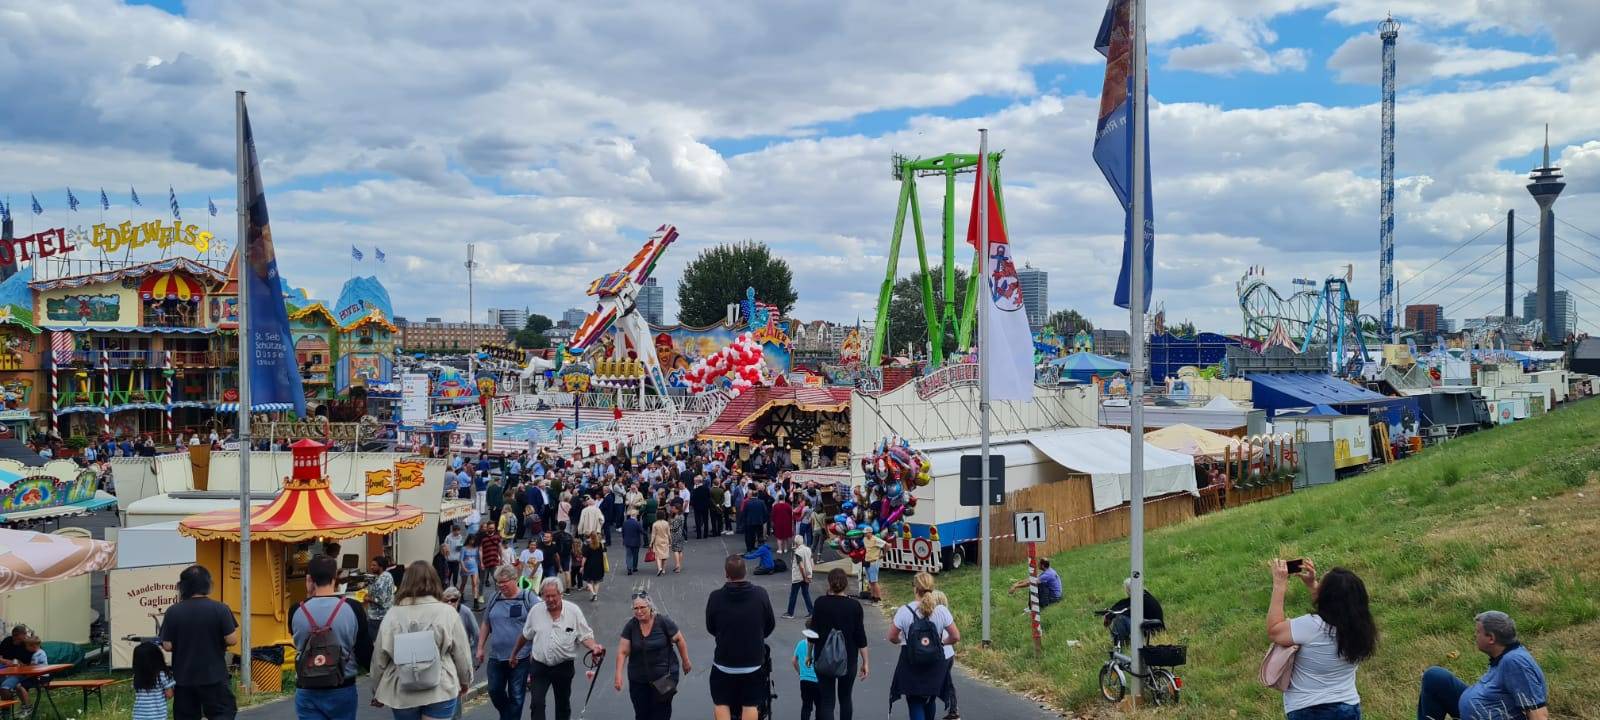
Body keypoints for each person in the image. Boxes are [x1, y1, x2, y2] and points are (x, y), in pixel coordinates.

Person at [1267, 559, 1376, 719]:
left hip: (1308, 709)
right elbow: (1334, 607)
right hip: (1348, 707)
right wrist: (1312, 585)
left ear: (1327, 595)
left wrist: (1279, 585)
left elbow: (1274, 631)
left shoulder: (1311, 626)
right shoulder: (1361, 629)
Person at [370, 562, 474, 720]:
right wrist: (465, 681)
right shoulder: (447, 612)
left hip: (402, 688)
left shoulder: (392, 614)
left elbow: (379, 657)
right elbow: (461, 653)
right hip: (441, 686)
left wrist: (377, 688)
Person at [1417, 611, 1548, 720]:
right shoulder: (1502, 656)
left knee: (1433, 676)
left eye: (1478, 631)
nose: (1475, 635)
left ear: (1491, 638)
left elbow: (1538, 715)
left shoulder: (1515, 662)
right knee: (1434, 677)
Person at [510, 578, 606, 720]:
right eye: (546, 596)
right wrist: (514, 654)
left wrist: (594, 647)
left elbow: (585, 636)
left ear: (560, 594)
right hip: (540, 666)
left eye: (553, 595)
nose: (550, 599)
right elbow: (525, 635)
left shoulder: (573, 611)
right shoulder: (536, 611)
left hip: (563, 666)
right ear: (542, 595)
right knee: (536, 704)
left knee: (562, 705)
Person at [291, 555, 371, 720]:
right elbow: (364, 650)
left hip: (307, 686)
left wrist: (309, 594)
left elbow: (298, 640)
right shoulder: (353, 608)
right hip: (342, 685)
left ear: (310, 579)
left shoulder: (296, 610)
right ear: (335, 577)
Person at [161, 565, 240, 720]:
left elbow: (167, 645)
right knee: (222, 714)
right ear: (208, 584)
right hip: (214, 676)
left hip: (184, 678)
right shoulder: (220, 608)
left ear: (183, 587)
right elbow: (232, 639)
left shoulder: (173, 611)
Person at [705, 554, 776, 720]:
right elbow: (770, 624)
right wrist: (756, 636)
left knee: (721, 702)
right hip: (752, 663)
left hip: (724, 662)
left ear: (726, 573)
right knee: (750, 704)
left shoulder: (716, 597)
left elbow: (711, 627)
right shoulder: (760, 595)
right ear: (745, 572)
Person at [888, 572, 960, 720]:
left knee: (915, 701)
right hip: (935, 662)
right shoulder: (941, 611)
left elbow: (892, 636)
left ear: (915, 588)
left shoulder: (905, 611)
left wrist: (904, 641)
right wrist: (941, 643)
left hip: (911, 661)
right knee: (930, 698)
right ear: (932, 588)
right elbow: (955, 636)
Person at [613, 594, 692, 720]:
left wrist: (685, 661)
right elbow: (622, 651)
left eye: (642, 607)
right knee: (642, 714)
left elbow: (679, 639)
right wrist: (618, 675)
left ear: (650, 607)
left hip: (664, 677)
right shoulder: (631, 626)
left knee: (662, 713)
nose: (639, 611)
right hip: (638, 680)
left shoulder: (663, 622)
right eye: (635, 608)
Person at [810, 568, 869, 720]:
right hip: (848, 659)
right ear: (846, 584)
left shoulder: (820, 603)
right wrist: (865, 662)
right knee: (845, 698)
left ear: (829, 583)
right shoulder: (854, 606)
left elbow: (813, 633)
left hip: (823, 657)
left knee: (827, 700)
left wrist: (809, 654)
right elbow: (860, 636)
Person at [478, 565, 534, 720]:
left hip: (521, 657)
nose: (500, 585)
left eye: (504, 581)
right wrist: (480, 648)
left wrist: (535, 651)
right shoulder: (494, 598)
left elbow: (539, 623)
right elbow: (486, 623)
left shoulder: (527, 597)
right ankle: (507, 716)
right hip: (496, 656)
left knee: (516, 695)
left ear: (514, 579)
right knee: (494, 690)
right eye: (498, 582)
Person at [1106, 578, 1165, 646]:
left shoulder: (1140, 599)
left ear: (1129, 590)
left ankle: (1118, 645)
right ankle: (1125, 643)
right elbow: (1123, 603)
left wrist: (1109, 616)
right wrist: (1110, 612)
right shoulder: (1145, 596)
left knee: (1120, 618)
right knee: (1124, 617)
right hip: (1155, 629)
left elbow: (1124, 610)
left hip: (1151, 631)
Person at [132, 642, 176, 720]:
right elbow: (169, 695)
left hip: (139, 716)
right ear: (158, 657)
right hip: (157, 716)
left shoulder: (137, 676)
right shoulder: (161, 675)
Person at [793, 622, 820, 720]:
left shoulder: (801, 644)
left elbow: (794, 661)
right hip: (818, 680)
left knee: (806, 706)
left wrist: (800, 672)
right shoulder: (820, 644)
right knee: (820, 706)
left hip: (804, 680)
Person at [785, 535, 815, 619]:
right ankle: (811, 611)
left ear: (796, 542)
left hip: (798, 576)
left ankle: (790, 613)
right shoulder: (808, 550)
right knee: (806, 594)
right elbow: (812, 563)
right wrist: (809, 575)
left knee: (793, 594)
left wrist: (804, 577)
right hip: (807, 574)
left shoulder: (798, 552)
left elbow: (801, 566)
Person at [862, 528, 887, 604]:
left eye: (866, 533)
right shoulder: (864, 539)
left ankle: (878, 599)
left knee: (874, 581)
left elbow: (887, 545)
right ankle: (872, 598)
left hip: (874, 562)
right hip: (867, 561)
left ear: (870, 532)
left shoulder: (876, 539)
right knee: (870, 581)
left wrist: (883, 554)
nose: (865, 534)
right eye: (864, 533)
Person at [581, 533, 607, 602]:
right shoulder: (601, 545)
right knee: (597, 581)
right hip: (599, 565)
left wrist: (582, 566)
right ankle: (595, 595)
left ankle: (593, 593)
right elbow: (604, 555)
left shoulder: (588, 546)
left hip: (589, 565)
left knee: (588, 580)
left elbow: (584, 558)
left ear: (590, 537)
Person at [460, 535, 482, 606]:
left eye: (473, 540)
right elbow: (461, 559)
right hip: (465, 567)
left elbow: (478, 558)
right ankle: (460, 596)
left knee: (475, 583)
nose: (472, 541)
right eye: (471, 540)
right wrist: (464, 568)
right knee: (463, 583)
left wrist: (479, 564)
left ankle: (475, 600)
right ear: (468, 540)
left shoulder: (476, 548)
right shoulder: (464, 548)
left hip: (474, 567)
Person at [621, 509, 644, 575]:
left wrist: (624, 539)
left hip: (627, 541)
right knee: (635, 555)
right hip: (636, 542)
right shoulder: (637, 523)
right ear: (636, 515)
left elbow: (623, 532)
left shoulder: (625, 522)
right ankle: (634, 567)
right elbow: (642, 531)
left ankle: (629, 568)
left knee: (629, 555)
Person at [649, 512, 671, 577]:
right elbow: (669, 533)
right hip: (665, 540)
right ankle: (663, 570)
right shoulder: (666, 523)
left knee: (658, 556)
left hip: (657, 541)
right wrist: (670, 540)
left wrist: (651, 542)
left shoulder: (655, 524)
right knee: (665, 555)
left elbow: (653, 534)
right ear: (664, 516)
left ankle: (659, 568)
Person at [667, 503, 688, 574]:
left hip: (675, 534)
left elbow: (674, 527)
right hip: (680, 533)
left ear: (677, 509)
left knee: (675, 550)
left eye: (673, 508)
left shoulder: (677, 517)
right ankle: (679, 565)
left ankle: (677, 565)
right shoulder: (682, 516)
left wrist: (669, 527)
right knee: (680, 550)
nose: (672, 509)